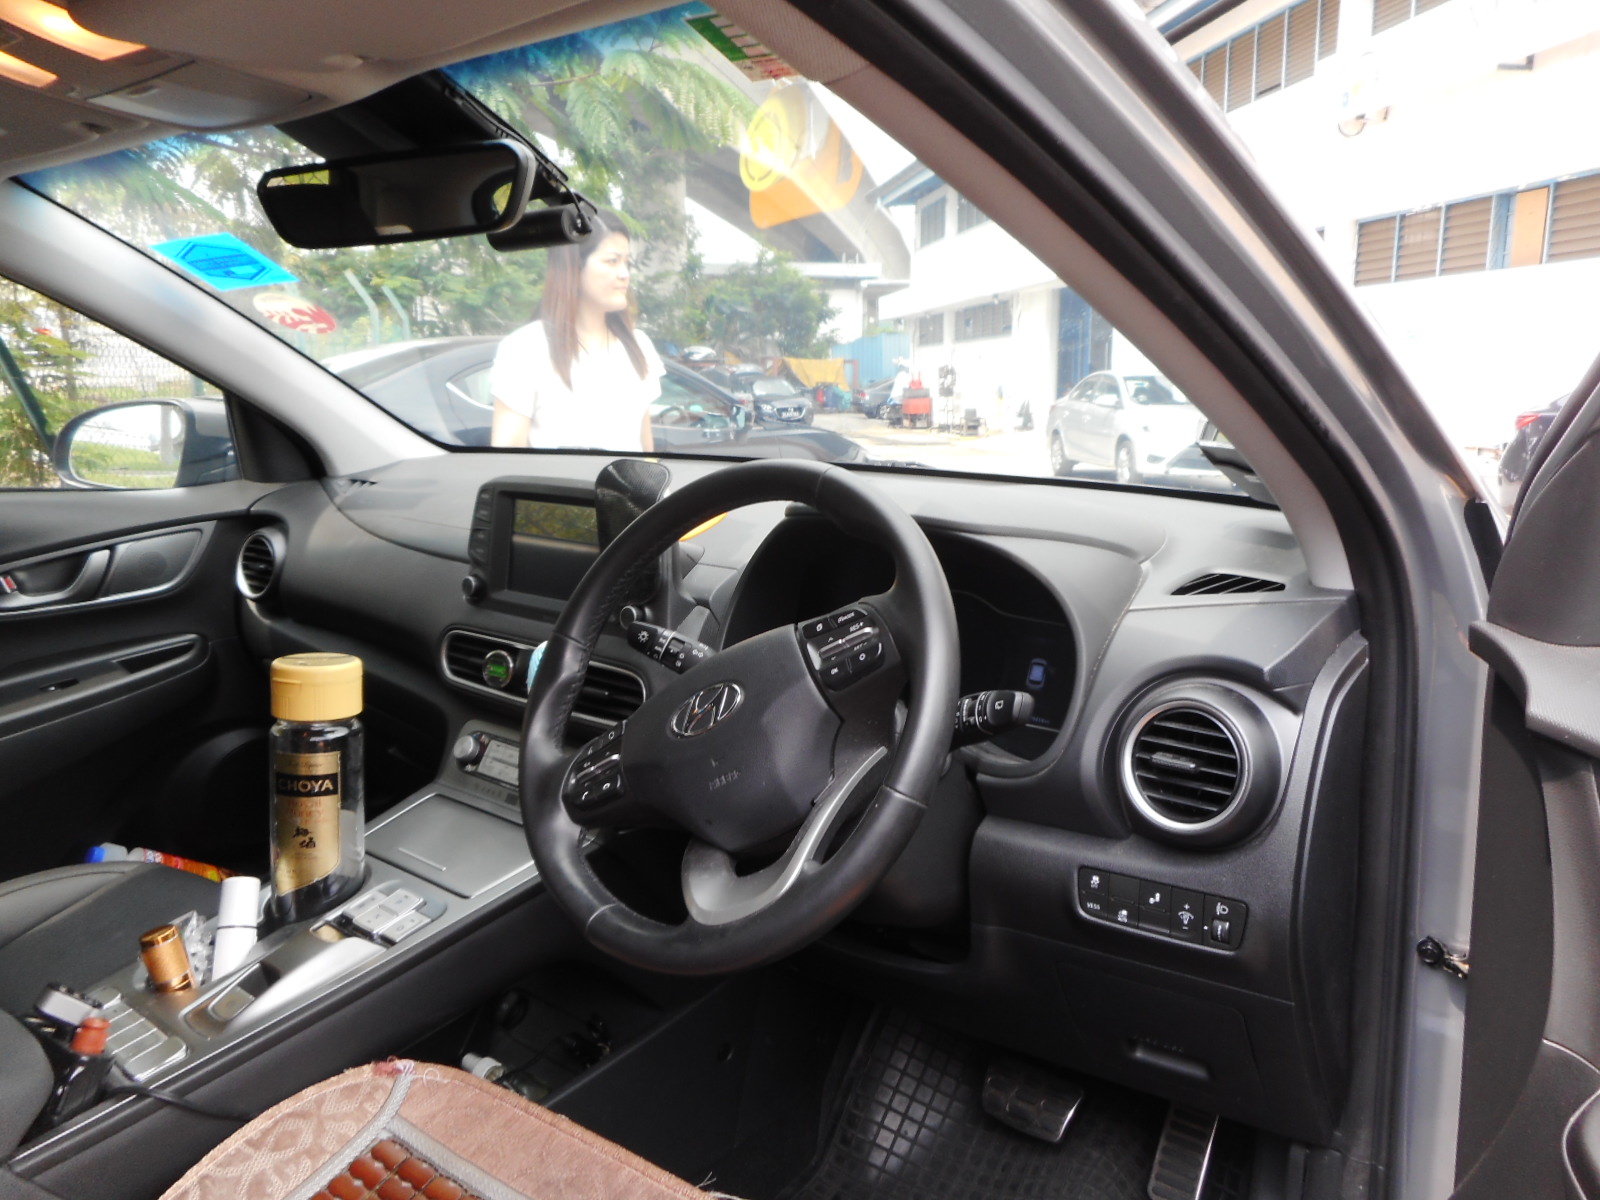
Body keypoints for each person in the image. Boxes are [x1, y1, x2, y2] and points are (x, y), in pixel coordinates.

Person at [490, 210, 664, 451]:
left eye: (627, 263)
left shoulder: (639, 345)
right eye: (612, 261)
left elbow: (646, 451)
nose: (625, 274)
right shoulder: (526, 348)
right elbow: (507, 454)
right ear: (574, 267)